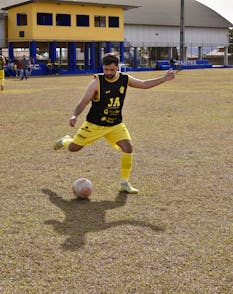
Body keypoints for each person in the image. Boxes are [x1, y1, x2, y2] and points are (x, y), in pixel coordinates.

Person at [53, 53, 176, 194]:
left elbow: (143, 84)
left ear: (118, 67)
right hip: (94, 124)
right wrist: (75, 115)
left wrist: (164, 79)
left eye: (112, 70)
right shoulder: (97, 81)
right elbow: (84, 100)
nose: (109, 73)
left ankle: (125, 183)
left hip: (115, 124)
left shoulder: (125, 78)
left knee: (128, 147)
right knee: (74, 148)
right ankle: (65, 140)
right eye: (106, 69)